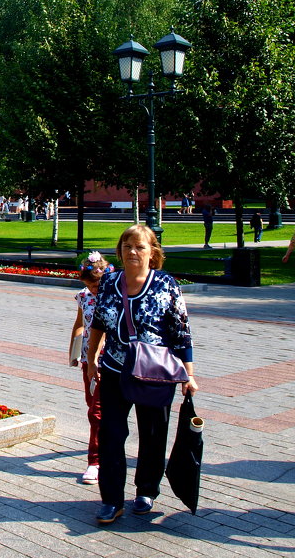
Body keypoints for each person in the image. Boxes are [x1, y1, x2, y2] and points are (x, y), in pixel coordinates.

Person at [85, 224, 197, 525]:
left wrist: (189, 374)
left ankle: (146, 490)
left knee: (152, 433)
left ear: (152, 253)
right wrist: (92, 357)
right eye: (127, 246)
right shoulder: (109, 281)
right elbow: (98, 321)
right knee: (111, 434)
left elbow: (181, 331)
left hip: (153, 373)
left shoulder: (165, 284)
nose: (132, 252)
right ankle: (111, 499)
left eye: (139, 247)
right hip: (114, 370)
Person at [68, 251, 113, 485]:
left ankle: (95, 462)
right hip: (88, 360)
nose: (93, 290)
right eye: (89, 285)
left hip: (109, 360)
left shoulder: (114, 296)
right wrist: (74, 352)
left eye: (96, 286)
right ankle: (106, 442)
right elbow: (79, 324)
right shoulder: (83, 296)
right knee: (92, 405)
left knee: (96, 411)